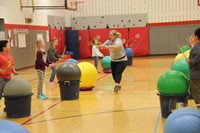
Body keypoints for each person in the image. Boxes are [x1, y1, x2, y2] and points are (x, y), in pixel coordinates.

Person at [0, 40, 18, 111]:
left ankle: (7, 107)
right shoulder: (0, 56)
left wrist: (13, 71)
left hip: (9, 78)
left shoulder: (10, 55)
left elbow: (12, 64)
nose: (9, 46)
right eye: (8, 45)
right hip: (1, 78)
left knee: (8, 93)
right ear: (4, 48)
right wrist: (1, 71)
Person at [188, 27, 200, 107]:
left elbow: (198, 55)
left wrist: (190, 61)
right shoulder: (195, 46)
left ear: (196, 37)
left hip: (196, 76)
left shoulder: (197, 47)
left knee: (197, 95)